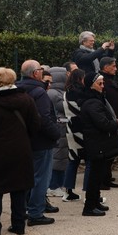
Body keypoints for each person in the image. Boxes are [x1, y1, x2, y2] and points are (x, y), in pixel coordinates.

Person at [0, 68, 40, 235]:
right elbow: (35, 125)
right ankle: (18, 225)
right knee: (19, 188)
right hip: (21, 150)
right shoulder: (27, 100)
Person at [17, 60, 61, 226]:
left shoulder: (18, 89)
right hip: (41, 141)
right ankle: (35, 213)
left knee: (28, 177)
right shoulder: (39, 92)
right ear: (35, 73)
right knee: (41, 178)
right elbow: (44, 118)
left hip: (24, 139)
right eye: (41, 70)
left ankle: (26, 209)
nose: (42, 72)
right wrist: (56, 134)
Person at [80, 72, 118, 216]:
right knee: (94, 176)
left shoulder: (95, 99)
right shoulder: (92, 101)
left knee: (97, 175)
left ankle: (95, 202)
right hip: (95, 142)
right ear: (91, 85)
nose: (103, 86)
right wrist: (117, 123)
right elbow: (102, 123)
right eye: (100, 83)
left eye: (103, 83)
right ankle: (89, 206)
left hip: (98, 142)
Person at [99, 57, 118, 189]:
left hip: (115, 120)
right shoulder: (102, 81)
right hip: (109, 121)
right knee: (107, 153)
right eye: (113, 66)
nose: (116, 68)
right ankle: (103, 180)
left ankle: (107, 178)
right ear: (105, 67)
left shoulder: (109, 80)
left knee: (111, 153)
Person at [63, 69, 86, 202]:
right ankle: (89, 192)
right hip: (81, 129)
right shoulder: (80, 93)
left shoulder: (66, 92)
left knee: (73, 160)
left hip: (70, 128)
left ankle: (68, 190)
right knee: (89, 160)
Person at [46, 66, 70, 197]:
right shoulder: (54, 93)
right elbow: (64, 107)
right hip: (60, 127)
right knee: (58, 158)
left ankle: (58, 184)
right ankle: (53, 185)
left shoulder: (58, 92)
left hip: (62, 128)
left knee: (61, 158)